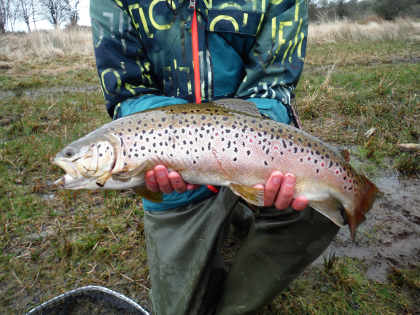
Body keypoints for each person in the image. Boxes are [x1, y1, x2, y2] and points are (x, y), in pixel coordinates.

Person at [90, 1, 340, 314]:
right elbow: (127, 95)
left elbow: (273, 88)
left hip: (254, 153)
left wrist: (252, 145)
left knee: (332, 199)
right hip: (177, 189)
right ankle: (221, 220)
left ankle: (237, 288)